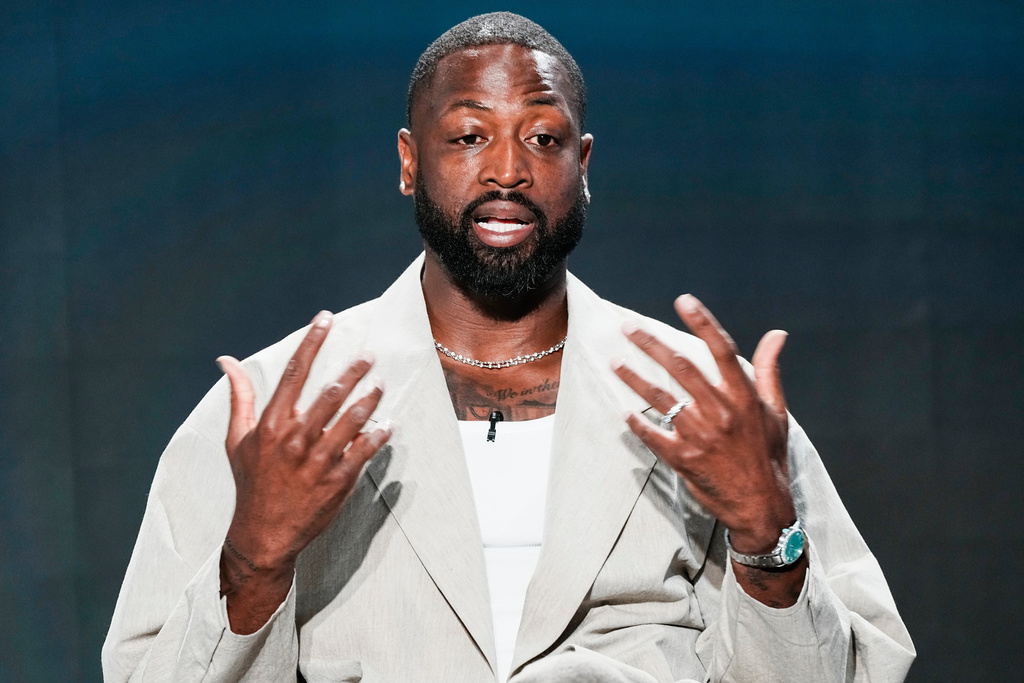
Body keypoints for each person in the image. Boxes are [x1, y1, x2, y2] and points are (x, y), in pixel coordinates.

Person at [103, 12, 914, 683]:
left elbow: (856, 671)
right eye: (466, 136)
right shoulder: (273, 407)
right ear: (409, 163)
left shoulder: (710, 400)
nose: (507, 170)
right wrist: (252, 562)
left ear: (584, 166)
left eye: (543, 138)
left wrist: (767, 538)